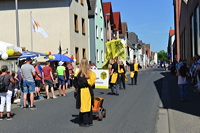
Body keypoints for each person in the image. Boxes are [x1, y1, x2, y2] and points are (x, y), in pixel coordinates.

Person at [74, 58, 96, 127]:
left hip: (82, 91)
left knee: (83, 106)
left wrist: (75, 91)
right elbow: (93, 84)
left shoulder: (79, 73)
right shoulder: (91, 73)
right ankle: (90, 121)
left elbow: (76, 84)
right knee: (89, 106)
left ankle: (85, 122)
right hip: (89, 90)